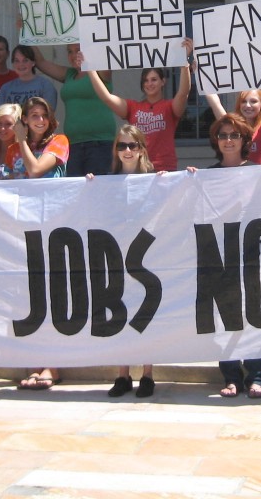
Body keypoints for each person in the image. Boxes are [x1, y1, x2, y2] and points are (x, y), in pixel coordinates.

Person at [9, 96, 69, 391]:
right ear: (25, 120)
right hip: (23, 224)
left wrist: (20, 142)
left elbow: (34, 171)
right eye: (33, 115)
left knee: (50, 292)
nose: (40, 120)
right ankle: (35, 362)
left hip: (52, 222)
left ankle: (52, 365)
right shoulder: (13, 146)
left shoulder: (59, 141)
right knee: (29, 294)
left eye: (44, 115)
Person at [206, 113, 261, 399]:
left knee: (255, 315)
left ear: (244, 140)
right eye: (223, 135)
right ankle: (231, 376)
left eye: (234, 135)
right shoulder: (206, 175)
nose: (228, 140)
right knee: (225, 317)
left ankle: (256, 377)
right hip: (220, 256)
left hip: (253, 254)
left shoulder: (259, 171)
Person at [99, 125, 159, 399]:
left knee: (145, 313)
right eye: (121, 146)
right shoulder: (106, 180)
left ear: (141, 149)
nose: (126, 151)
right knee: (119, 313)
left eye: (131, 146)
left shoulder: (155, 179)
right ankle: (122, 375)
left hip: (146, 254)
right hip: (117, 253)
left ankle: (147, 374)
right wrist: (89, 186)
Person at [85, 39, 193, 172]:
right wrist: (90, 68)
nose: (150, 84)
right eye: (146, 80)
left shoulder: (169, 107)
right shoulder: (133, 107)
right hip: (138, 169)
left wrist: (184, 63)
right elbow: (106, 97)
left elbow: (183, 93)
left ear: (163, 82)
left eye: (154, 79)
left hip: (164, 169)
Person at [31, 43, 116, 177]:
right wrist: (24, 33)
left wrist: (90, 61)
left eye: (78, 50)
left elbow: (106, 51)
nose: (73, 55)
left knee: (97, 191)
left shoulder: (101, 71)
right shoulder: (69, 74)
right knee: (76, 193)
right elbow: (41, 62)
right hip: (73, 144)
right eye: (70, 51)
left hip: (99, 143)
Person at [203, 84, 261, 165]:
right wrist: (201, 74)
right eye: (244, 101)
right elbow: (215, 103)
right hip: (234, 176)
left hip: (258, 177)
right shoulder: (232, 126)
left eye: (253, 101)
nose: (248, 105)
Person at [0, 44, 59, 112]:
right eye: (17, 60)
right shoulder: (6, 88)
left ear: (33, 62)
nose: (21, 64)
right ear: (13, 63)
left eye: (25, 60)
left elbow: (49, 114)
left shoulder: (45, 85)